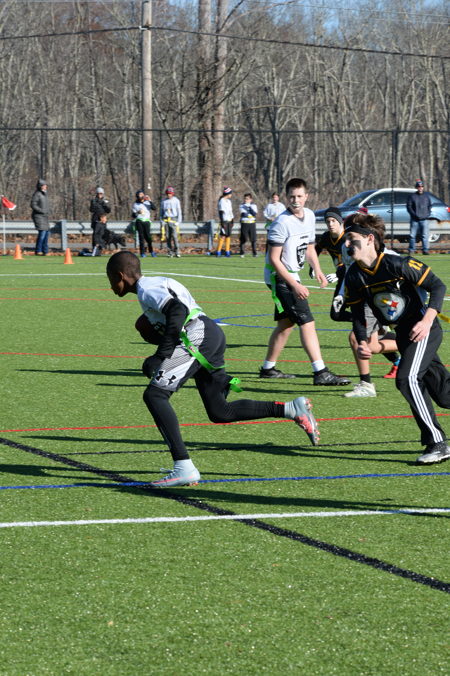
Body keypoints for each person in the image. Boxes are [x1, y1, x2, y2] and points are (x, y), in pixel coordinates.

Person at [106, 251, 320, 487]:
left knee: (155, 395)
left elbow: (177, 311)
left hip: (197, 335)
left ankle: (183, 467)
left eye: (110, 279)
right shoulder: (154, 284)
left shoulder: (147, 288)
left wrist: (160, 355)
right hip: (209, 333)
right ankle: (291, 409)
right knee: (220, 411)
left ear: (120, 276)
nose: (110, 286)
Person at [344, 211, 450, 465]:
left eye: (351, 238)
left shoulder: (396, 263)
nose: (346, 244)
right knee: (445, 395)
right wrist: (362, 342)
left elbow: (437, 286)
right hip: (403, 334)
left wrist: (426, 321)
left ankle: (437, 443)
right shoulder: (354, 276)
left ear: (369, 239)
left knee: (406, 379)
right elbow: (358, 315)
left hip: (423, 329)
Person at [259, 177, 350, 386]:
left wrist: (317, 269)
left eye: (300, 196)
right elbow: (274, 260)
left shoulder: (309, 216)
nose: (296, 200)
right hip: (279, 277)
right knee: (307, 322)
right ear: (286, 197)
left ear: (306, 196)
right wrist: (295, 285)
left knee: (286, 324)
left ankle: (268, 369)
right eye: (292, 196)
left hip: (293, 275)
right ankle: (321, 372)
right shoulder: (281, 223)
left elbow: (309, 247)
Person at [314, 207, 400, 397]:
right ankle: (409, 347)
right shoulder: (347, 249)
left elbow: (414, 280)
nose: (347, 242)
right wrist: (341, 294)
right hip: (365, 298)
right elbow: (349, 272)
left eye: (351, 236)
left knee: (358, 339)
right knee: (371, 344)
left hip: (385, 300)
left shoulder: (389, 256)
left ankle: (367, 384)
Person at [406, 180, 432, 256]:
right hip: (415, 219)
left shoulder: (426, 196)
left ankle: (425, 250)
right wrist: (414, 215)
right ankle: (411, 250)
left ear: (423, 187)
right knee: (412, 235)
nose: (420, 188)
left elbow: (430, 206)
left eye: (421, 186)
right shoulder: (412, 196)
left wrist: (427, 214)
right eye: (419, 187)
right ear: (416, 187)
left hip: (424, 219)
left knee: (425, 235)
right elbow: (409, 207)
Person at [132, 190, 156, 258]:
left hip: (147, 221)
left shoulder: (147, 202)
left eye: (142, 194)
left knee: (148, 237)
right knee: (141, 238)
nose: (142, 195)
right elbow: (133, 215)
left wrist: (150, 200)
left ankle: (151, 251)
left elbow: (154, 208)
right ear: (137, 196)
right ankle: (142, 253)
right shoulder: (135, 204)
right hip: (139, 221)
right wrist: (138, 212)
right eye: (140, 194)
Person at [160, 186, 182, 257]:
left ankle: (177, 251)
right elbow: (161, 212)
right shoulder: (164, 201)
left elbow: (179, 212)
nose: (169, 195)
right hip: (166, 219)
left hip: (173, 219)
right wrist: (161, 221)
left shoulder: (176, 200)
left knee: (175, 236)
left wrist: (178, 221)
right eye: (168, 194)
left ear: (172, 194)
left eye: (170, 193)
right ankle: (170, 251)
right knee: (168, 237)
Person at [31, 179, 50, 255]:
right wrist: (41, 210)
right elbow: (33, 205)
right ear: (40, 186)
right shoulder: (37, 194)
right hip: (38, 216)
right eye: (44, 185)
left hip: (45, 216)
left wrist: (47, 211)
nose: (46, 186)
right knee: (42, 233)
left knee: (46, 234)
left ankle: (45, 251)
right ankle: (38, 250)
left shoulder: (45, 194)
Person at [216, 187, 234, 257]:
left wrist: (232, 219)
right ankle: (218, 251)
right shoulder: (222, 201)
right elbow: (221, 212)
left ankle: (227, 252)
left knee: (228, 236)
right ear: (227, 194)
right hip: (224, 220)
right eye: (230, 193)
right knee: (223, 236)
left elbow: (230, 211)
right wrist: (222, 221)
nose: (231, 195)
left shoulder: (229, 201)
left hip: (229, 220)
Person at [239, 193, 258, 257]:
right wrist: (248, 211)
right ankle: (242, 252)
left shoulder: (254, 206)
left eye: (247, 199)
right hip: (244, 223)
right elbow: (244, 214)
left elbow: (254, 213)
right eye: (245, 199)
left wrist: (249, 208)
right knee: (243, 238)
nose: (246, 200)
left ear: (250, 199)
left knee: (253, 239)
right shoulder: (241, 206)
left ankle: (254, 253)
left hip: (252, 223)